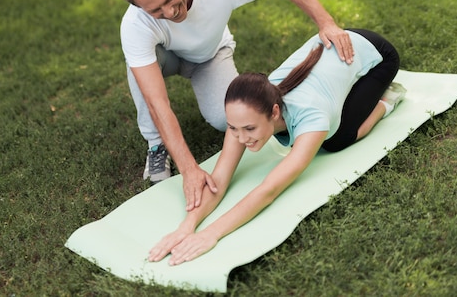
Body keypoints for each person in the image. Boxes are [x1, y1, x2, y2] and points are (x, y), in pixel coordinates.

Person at [115, 0, 355, 211]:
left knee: (224, 120)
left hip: (210, 55)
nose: (170, 11)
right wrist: (189, 170)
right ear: (139, 7)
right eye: (156, 10)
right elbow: (157, 102)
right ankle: (156, 146)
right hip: (165, 56)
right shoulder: (135, 24)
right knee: (139, 72)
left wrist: (326, 22)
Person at [147, 28, 406, 265]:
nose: (241, 137)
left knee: (339, 138)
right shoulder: (247, 112)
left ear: (273, 112)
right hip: (336, 48)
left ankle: (387, 100)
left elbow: (269, 190)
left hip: (377, 55)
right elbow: (219, 180)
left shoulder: (312, 118)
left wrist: (211, 234)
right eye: (233, 127)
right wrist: (187, 226)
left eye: (250, 129)